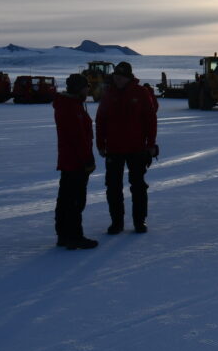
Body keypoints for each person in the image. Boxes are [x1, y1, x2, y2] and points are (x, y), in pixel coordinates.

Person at [96, 61, 157, 235]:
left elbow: (150, 120)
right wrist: (100, 144)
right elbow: (100, 120)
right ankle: (117, 222)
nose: (118, 80)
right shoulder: (108, 93)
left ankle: (139, 221)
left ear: (128, 77)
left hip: (136, 148)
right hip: (114, 148)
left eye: (121, 77)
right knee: (113, 187)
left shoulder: (141, 93)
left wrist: (150, 143)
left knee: (138, 186)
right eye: (116, 77)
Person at [53, 74, 98, 250]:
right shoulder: (71, 108)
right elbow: (78, 138)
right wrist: (87, 160)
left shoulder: (70, 105)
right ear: (79, 88)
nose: (89, 89)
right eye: (86, 86)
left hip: (69, 160)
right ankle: (74, 236)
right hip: (75, 162)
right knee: (75, 200)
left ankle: (64, 234)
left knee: (65, 198)